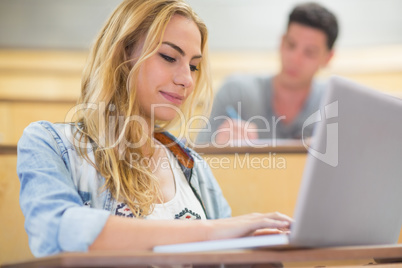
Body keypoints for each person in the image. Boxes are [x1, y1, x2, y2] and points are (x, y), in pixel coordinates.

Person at [17, 0, 292, 257]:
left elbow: (224, 253)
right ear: (123, 55)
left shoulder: (191, 165)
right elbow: (58, 232)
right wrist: (212, 232)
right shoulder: (49, 143)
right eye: (170, 57)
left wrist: (253, 249)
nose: (187, 79)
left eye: (194, 66)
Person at [196, 2, 339, 145]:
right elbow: (195, 159)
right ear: (282, 42)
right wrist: (217, 144)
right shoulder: (235, 93)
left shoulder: (334, 106)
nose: (295, 59)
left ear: (328, 58)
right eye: (291, 45)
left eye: (309, 53)